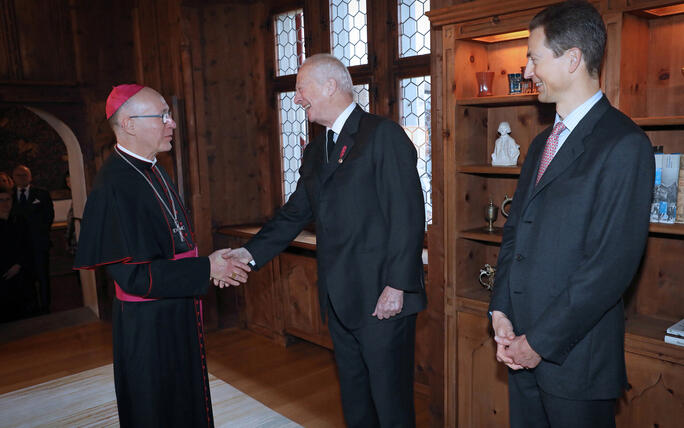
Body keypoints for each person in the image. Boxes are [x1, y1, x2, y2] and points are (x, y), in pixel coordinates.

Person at [228, 53, 426, 428]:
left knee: (391, 403)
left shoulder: (383, 136)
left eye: (301, 89)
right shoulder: (317, 150)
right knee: (355, 398)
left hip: (383, 298)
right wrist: (247, 254)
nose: (297, 98)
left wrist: (397, 286)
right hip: (339, 299)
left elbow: (408, 216)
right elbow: (295, 214)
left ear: (330, 85)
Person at [488, 2, 654, 427]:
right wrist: (501, 311)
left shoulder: (624, 144)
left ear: (573, 59)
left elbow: (608, 267)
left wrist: (539, 342)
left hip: (575, 364)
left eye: (534, 58)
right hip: (520, 353)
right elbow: (514, 236)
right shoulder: (542, 143)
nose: (527, 71)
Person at [74, 84, 251, 427]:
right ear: (129, 124)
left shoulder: (151, 168)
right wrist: (205, 268)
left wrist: (209, 265)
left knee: (185, 398)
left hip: (175, 309)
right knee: (158, 407)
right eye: (163, 116)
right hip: (150, 325)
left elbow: (174, 244)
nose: (171, 123)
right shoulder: (115, 185)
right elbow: (135, 277)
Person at [11, 164, 54, 314]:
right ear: (13, 178)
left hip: (39, 244)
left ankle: (45, 306)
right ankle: (30, 307)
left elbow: (49, 217)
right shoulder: (8, 196)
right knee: (25, 278)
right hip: (18, 247)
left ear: (30, 177)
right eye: (18, 175)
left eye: (24, 175)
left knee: (42, 277)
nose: (21, 178)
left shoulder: (41, 194)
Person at [0, 185, 31, 322]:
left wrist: (18, 264)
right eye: (1, 200)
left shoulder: (19, 220)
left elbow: (27, 245)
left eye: (8, 199)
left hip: (20, 270)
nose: (5, 203)